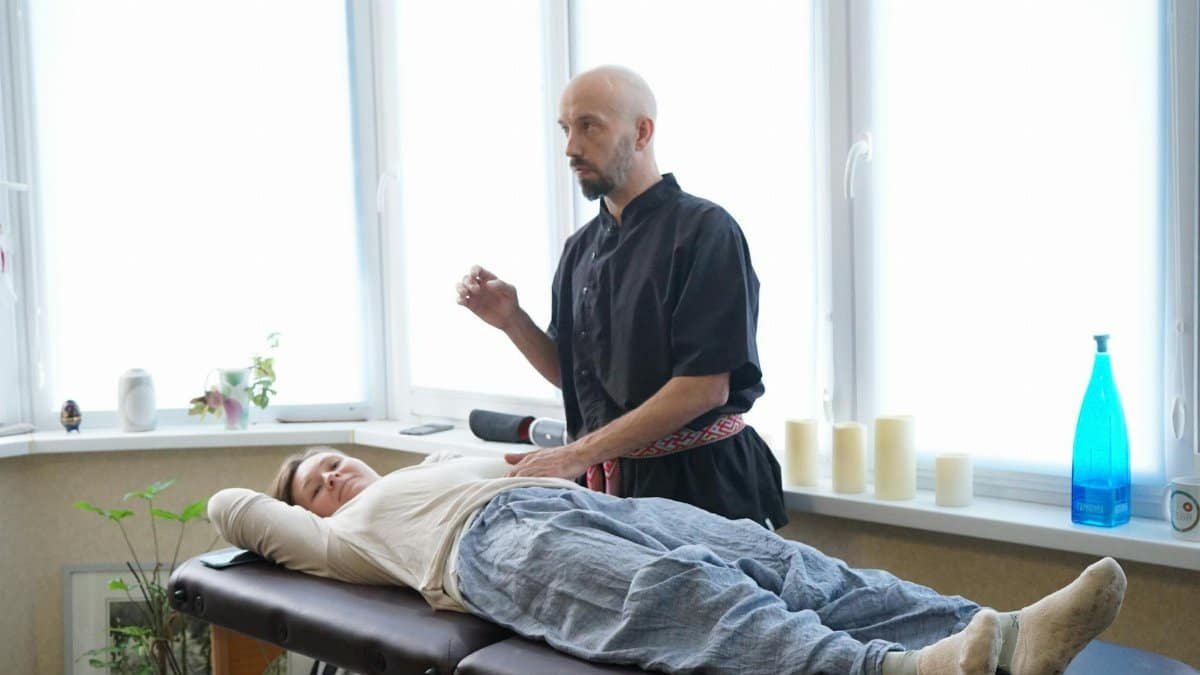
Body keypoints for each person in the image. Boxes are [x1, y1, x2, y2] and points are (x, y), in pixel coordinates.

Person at [211, 446, 1127, 675]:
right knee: (693, 598)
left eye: (332, 462)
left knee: (782, 562)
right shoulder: (344, 537)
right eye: (314, 483)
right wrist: (285, 491)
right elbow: (232, 508)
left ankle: (990, 635)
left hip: (585, 501)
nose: (331, 475)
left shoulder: (434, 460)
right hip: (493, 547)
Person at [456, 65, 786, 529]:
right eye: (566, 129)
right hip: (609, 487)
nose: (571, 147)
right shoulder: (578, 249)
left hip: (703, 488)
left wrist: (574, 454)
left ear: (642, 132)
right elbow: (575, 375)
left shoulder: (706, 231)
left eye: (589, 126)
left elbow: (705, 386)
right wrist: (513, 320)